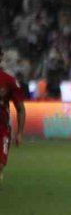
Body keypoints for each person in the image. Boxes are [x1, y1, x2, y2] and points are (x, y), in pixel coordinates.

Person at [0, 48, 27, 184]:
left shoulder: (9, 81)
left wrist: (20, 133)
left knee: (0, 164)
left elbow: (20, 109)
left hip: (2, 128)